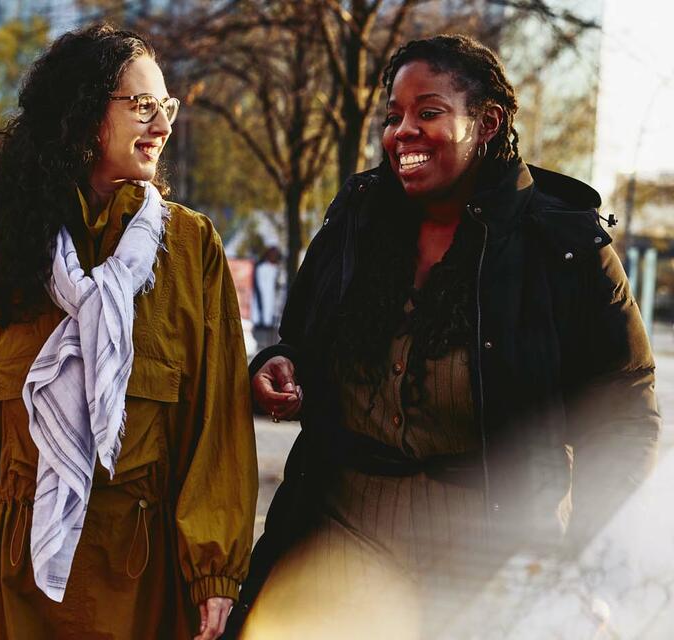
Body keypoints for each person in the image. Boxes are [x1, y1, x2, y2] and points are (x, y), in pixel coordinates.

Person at [229, 34, 660, 637]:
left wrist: (572, 555)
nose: (402, 131)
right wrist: (280, 367)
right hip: (339, 539)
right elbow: (298, 339)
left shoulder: (565, 249)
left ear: (488, 122)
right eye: (393, 116)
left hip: (487, 567)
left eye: (428, 112)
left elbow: (625, 415)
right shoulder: (354, 221)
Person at [0, 24, 257, 640]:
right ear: (80, 115)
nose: (162, 126)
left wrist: (214, 573)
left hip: (138, 576)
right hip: (8, 578)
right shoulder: (0, 257)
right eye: (142, 106)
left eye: (167, 107)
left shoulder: (192, 251)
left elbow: (218, 426)